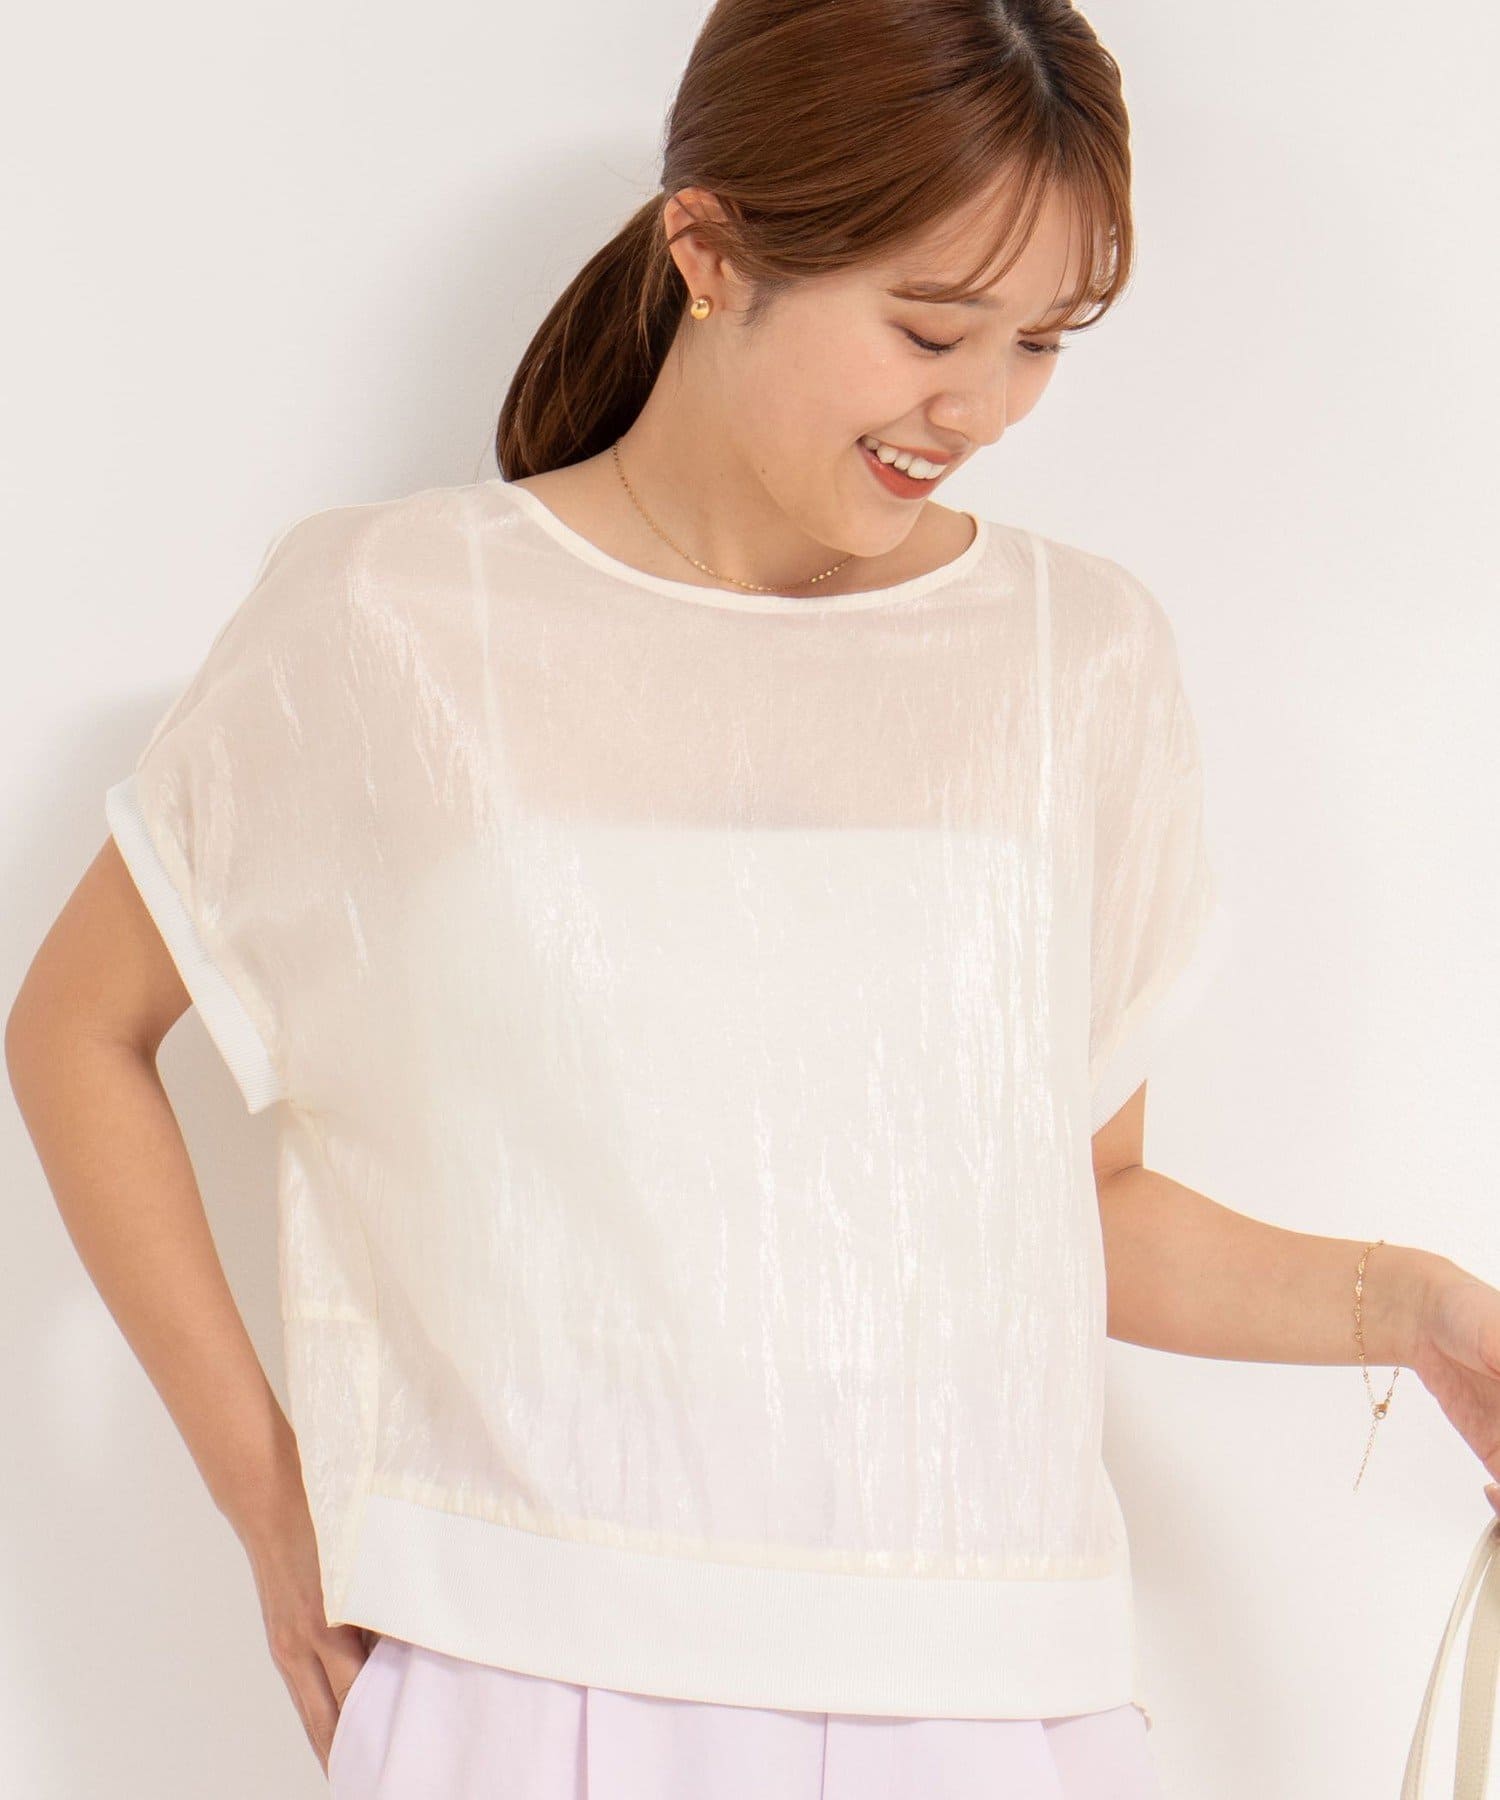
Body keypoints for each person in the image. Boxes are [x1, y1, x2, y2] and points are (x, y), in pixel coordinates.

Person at [9, 1, 1500, 1796]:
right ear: (709, 249)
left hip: (992, 1693)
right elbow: (77, 1030)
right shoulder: (394, 621)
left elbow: (1074, 1209)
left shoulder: (1073, 659)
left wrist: (1419, 1307)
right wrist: (271, 1507)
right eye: (931, 328)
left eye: (1040, 342)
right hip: (525, 1682)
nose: (981, 407)